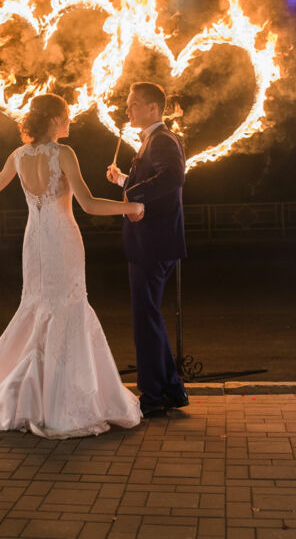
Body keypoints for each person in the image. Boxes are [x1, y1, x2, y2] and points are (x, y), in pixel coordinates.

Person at [0, 93, 145, 438]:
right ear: (52, 119)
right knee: (66, 308)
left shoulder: (19, 156)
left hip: (34, 240)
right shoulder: (63, 153)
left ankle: (31, 392)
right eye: (66, 115)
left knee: (37, 307)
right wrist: (132, 208)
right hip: (62, 239)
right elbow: (89, 205)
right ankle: (60, 399)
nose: (70, 121)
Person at [106, 82, 188, 417]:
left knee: (146, 317)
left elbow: (172, 178)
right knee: (149, 315)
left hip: (153, 243)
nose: (129, 111)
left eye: (135, 104)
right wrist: (123, 180)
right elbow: (156, 182)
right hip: (153, 242)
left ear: (154, 108)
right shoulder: (153, 140)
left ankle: (153, 395)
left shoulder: (163, 139)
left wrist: (132, 194)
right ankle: (170, 390)